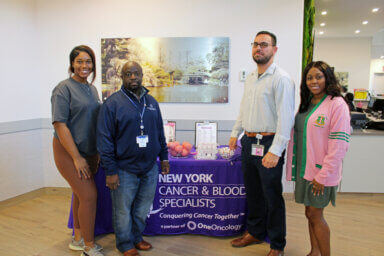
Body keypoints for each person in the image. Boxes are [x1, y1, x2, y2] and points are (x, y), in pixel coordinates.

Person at [229, 31, 295, 256]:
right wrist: (235, 133)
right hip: (248, 141)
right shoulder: (250, 77)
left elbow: (286, 119)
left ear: (274, 50)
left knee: (272, 196)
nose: (259, 48)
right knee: (254, 192)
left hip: (269, 143)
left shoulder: (281, 79)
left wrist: (276, 151)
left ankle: (277, 244)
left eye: (264, 45)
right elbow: (243, 109)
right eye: (256, 44)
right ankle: (255, 232)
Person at [97, 61, 170, 256]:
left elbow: (159, 132)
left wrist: (164, 157)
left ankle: (137, 237)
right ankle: (124, 244)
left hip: (149, 168)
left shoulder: (152, 102)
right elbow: (104, 141)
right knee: (122, 211)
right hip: (123, 169)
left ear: (142, 75)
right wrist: (110, 171)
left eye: (136, 73)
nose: (133, 77)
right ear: (122, 77)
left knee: (141, 209)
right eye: (128, 74)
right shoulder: (112, 104)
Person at [286, 61, 351, 256]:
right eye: (309, 78)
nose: (313, 81)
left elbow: (339, 144)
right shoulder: (307, 104)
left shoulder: (336, 104)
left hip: (321, 173)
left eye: (318, 76)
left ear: (328, 78)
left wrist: (323, 175)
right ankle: (314, 252)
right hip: (305, 170)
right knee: (309, 214)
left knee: (315, 214)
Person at [51, 45, 104, 256]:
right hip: (68, 152)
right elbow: (60, 125)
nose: (84, 66)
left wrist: (96, 152)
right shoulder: (63, 88)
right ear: (72, 63)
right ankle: (89, 247)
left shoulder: (92, 89)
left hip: (90, 151)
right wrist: (77, 158)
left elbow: (93, 122)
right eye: (80, 61)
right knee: (89, 196)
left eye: (88, 62)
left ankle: (78, 238)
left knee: (79, 194)